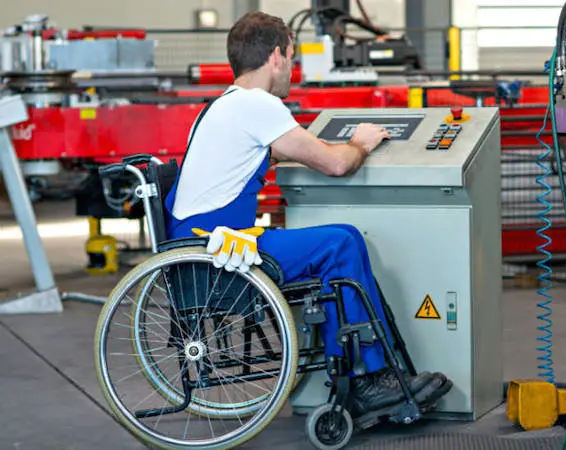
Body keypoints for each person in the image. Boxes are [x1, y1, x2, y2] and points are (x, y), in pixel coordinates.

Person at [162, 11, 451, 418]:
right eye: (293, 60)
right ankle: (366, 378)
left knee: (342, 237)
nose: (292, 72)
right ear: (277, 55)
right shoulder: (258, 104)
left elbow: (267, 151)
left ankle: (370, 368)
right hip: (219, 253)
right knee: (339, 243)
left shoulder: (219, 107)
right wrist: (362, 142)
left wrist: (302, 147)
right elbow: (336, 165)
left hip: (200, 245)